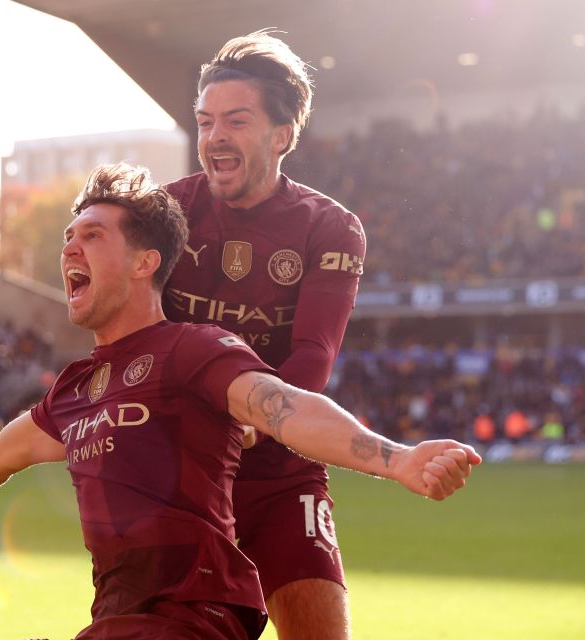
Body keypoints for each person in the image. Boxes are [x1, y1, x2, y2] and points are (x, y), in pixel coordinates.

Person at [0, 163, 480, 640]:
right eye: (69, 237)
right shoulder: (75, 391)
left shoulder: (193, 350)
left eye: (93, 235)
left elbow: (287, 408)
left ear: (147, 263)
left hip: (195, 617)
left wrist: (397, 458)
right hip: (117, 622)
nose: (71, 247)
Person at [160, 30, 368, 638]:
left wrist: (255, 420)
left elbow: (314, 351)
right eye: (205, 122)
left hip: (278, 466)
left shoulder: (331, 228)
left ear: (282, 136)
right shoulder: (162, 217)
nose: (214, 137)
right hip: (180, 476)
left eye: (236, 121)